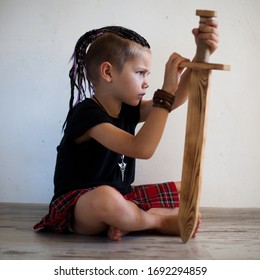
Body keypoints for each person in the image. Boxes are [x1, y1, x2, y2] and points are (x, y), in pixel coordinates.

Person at [34, 21, 219, 241]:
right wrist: (166, 89)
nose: (146, 83)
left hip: (122, 195)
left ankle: (128, 221)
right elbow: (141, 148)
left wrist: (201, 54)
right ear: (108, 72)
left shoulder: (128, 109)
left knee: (187, 187)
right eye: (140, 73)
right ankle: (156, 221)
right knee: (106, 197)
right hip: (80, 206)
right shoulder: (86, 114)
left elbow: (172, 101)